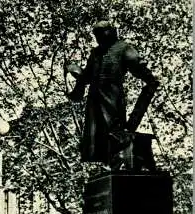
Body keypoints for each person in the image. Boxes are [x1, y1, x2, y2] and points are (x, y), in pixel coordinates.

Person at [66, 21, 159, 171]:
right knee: (98, 133)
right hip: (94, 97)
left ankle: (118, 161)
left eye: (102, 34)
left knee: (114, 129)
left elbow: (138, 66)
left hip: (112, 94)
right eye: (97, 36)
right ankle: (110, 163)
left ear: (112, 32)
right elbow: (87, 76)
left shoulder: (123, 48)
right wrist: (75, 72)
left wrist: (149, 79)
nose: (99, 39)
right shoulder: (95, 53)